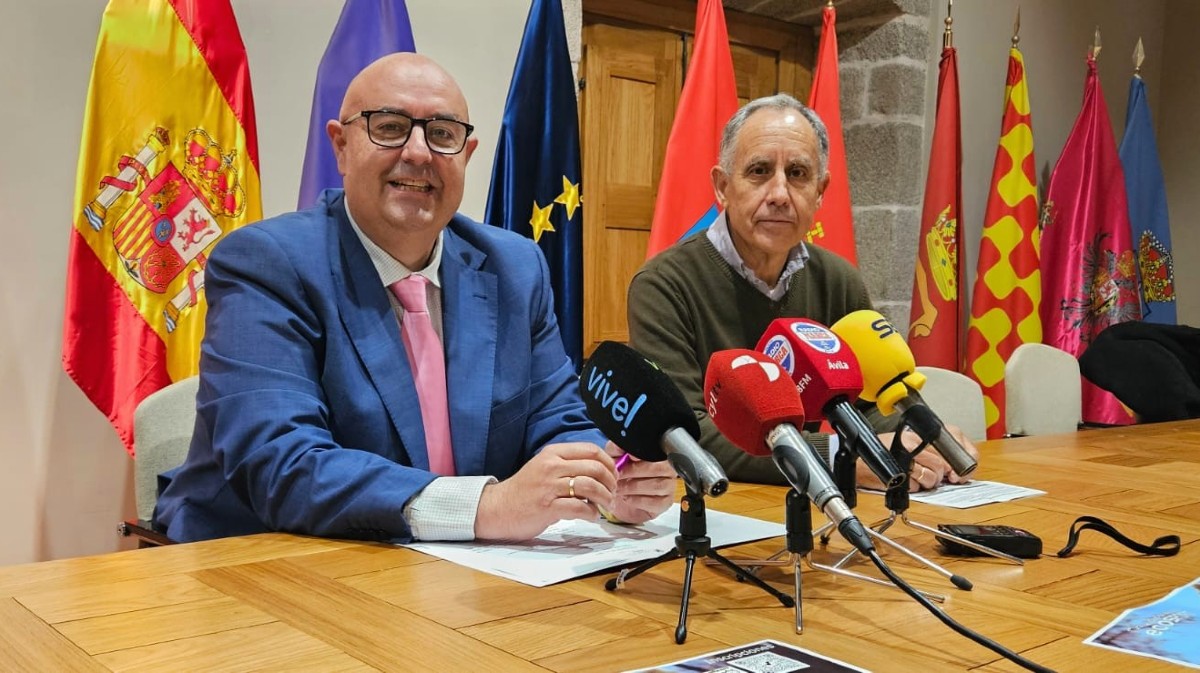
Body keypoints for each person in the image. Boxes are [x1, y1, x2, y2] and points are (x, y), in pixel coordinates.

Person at [155, 53, 675, 544]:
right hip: (259, 561)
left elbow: (557, 418)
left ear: (467, 154)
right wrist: (486, 507)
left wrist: (608, 481)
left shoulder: (514, 267)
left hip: (455, 570)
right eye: (389, 127)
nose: (420, 153)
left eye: (443, 134)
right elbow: (282, 463)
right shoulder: (266, 263)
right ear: (341, 146)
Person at [628, 93, 977, 492]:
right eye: (759, 171)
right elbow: (687, 433)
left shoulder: (838, 281)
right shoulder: (663, 285)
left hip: (812, 502)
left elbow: (869, 404)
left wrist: (918, 435)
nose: (779, 193)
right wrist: (839, 458)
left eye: (797, 173)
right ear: (723, 187)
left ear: (820, 191)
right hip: (721, 505)